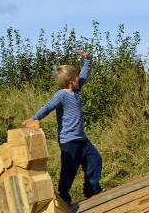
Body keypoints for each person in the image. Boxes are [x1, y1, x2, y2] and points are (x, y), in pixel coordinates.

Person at [22, 50, 102, 204]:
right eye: (77, 77)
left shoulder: (76, 90)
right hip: (69, 141)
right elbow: (48, 106)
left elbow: (84, 75)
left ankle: (91, 188)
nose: (80, 79)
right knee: (69, 170)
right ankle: (63, 197)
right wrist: (34, 118)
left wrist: (88, 60)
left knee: (95, 159)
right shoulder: (62, 95)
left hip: (82, 139)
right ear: (71, 80)